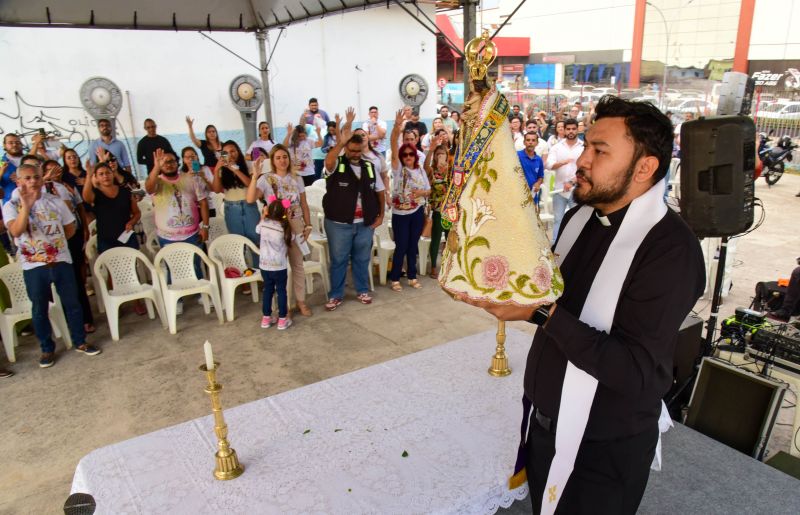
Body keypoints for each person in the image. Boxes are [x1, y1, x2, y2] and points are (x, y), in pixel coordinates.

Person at [461, 96, 705, 515]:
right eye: (586, 147)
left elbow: (636, 370)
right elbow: (546, 293)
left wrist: (540, 313)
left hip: (603, 451)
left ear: (645, 168)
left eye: (599, 151)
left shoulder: (670, 251)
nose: (582, 161)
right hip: (543, 428)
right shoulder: (579, 219)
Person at [4, 163, 101, 368]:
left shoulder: (55, 201)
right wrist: (27, 206)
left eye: (36, 177)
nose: (33, 181)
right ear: (19, 181)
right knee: (39, 309)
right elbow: (16, 231)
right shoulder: (11, 205)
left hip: (61, 261)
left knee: (72, 304)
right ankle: (47, 349)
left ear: (42, 179)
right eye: (27, 178)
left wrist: (53, 247)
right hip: (33, 267)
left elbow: (69, 228)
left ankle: (80, 341)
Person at [246, 144, 314, 317]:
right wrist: (254, 177)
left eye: (285, 157)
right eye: (278, 158)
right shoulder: (266, 179)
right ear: (272, 160)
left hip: (296, 223)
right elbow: (250, 198)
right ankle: (285, 306)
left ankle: (300, 301)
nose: (282, 160)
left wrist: (308, 225)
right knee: (279, 268)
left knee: (297, 265)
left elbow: (303, 204)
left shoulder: (296, 178)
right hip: (275, 228)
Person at [322, 128, 385, 311]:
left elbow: (379, 192)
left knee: (362, 259)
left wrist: (380, 215)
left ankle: (362, 290)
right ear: (346, 149)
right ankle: (336, 295)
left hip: (365, 225)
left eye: (359, 150)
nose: (355, 154)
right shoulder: (337, 165)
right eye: (351, 150)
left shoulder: (369, 166)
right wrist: (341, 142)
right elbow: (328, 161)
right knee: (339, 260)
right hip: (339, 225)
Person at [42, 159, 94, 333]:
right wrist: (44, 180)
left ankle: (85, 318)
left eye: (55, 169)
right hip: (50, 244)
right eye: (48, 171)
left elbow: (79, 207)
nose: (52, 173)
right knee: (57, 284)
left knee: (76, 280)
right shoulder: (38, 191)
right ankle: (65, 322)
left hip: (72, 238)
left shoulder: (66, 187)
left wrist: (85, 229)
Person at [388, 109, 431, 291]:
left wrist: (419, 192)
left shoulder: (420, 170)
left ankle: (412, 276)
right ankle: (395, 277)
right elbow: (392, 143)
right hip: (401, 213)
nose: (407, 157)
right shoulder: (398, 169)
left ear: (415, 155)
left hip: (417, 212)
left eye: (410, 154)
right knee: (401, 245)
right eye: (404, 155)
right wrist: (397, 127)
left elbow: (428, 190)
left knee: (412, 245)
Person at [82, 161, 141, 254]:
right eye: (101, 174)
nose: (105, 176)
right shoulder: (95, 193)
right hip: (106, 240)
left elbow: (137, 213)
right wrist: (88, 176)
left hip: (126, 236)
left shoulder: (125, 192)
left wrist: (131, 222)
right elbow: (86, 198)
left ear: (113, 174)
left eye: (108, 173)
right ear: (96, 177)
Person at [211, 141, 259, 247]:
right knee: (238, 243)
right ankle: (243, 263)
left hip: (249, 206)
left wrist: (235, 170)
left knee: (255, 240)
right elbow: (217, 190)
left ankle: (257, 264)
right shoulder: (221, 170)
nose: (230, 154)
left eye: (232, 151)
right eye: (226, 152)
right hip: (231, 208)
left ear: (238, 151)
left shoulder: (248, 165)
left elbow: (251, 184)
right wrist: (216, 170)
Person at [256, 196, 293, 330]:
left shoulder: (263, 223)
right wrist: (287, 218)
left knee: (268, 291)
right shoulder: (284, 228)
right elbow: (291, 239)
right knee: (281, 291)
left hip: (264, 266)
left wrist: (263, 215)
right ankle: (282, 320)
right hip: (279, 267)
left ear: (268, 211)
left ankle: (266, 318)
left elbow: (257, 230)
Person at [547, 118, 583, 243]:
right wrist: (562, 162)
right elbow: (549, 165)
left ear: (578, 129)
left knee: (576, 219)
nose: (571, 131)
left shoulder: (583, 147)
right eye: (568, 129)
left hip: (577, 190)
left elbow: (585, 170)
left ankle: (575, 245)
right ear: (564, 130)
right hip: (559, 189)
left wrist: (572, 182)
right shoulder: (557, 147)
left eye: (573, 129)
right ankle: (555, 246)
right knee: (558, 219)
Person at [423, 137, 451, 279]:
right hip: (437, 211)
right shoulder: (432, 171)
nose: (441, 156)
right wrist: (431, 150)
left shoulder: (451, 171)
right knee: (435, 239)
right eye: (438, 154)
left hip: (450, 210)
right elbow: (425, 166)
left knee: (449, 238)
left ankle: (448, 266)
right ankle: (433, 266)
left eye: (443, 154)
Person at [284, 120, 322, 186]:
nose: (302, 138)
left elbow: (320, 144)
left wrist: (318, 133)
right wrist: (289, 133)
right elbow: (284, 146)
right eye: (300, 136)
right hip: (296, 172)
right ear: (296, 135)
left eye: (303, 135)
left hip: (309, 172)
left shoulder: (309, 140)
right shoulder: (291, 142)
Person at [518, 132, 545, 208]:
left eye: (533, 140)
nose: (530, 142)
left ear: (537, 143)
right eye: (528, 140)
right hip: (517, 196)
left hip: (533, 197)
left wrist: (538, 183)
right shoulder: (516, 156)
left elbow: (541, 177)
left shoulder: (539, 159)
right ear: (524, 142)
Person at [1, 133, 24, 202]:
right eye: (10, 143)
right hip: (11, 204)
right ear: (4, 145)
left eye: (17, 142)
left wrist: (21, 178)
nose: (14, 145)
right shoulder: (0, 162)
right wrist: (1, 172)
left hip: (34, 203)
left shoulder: (29, 160)